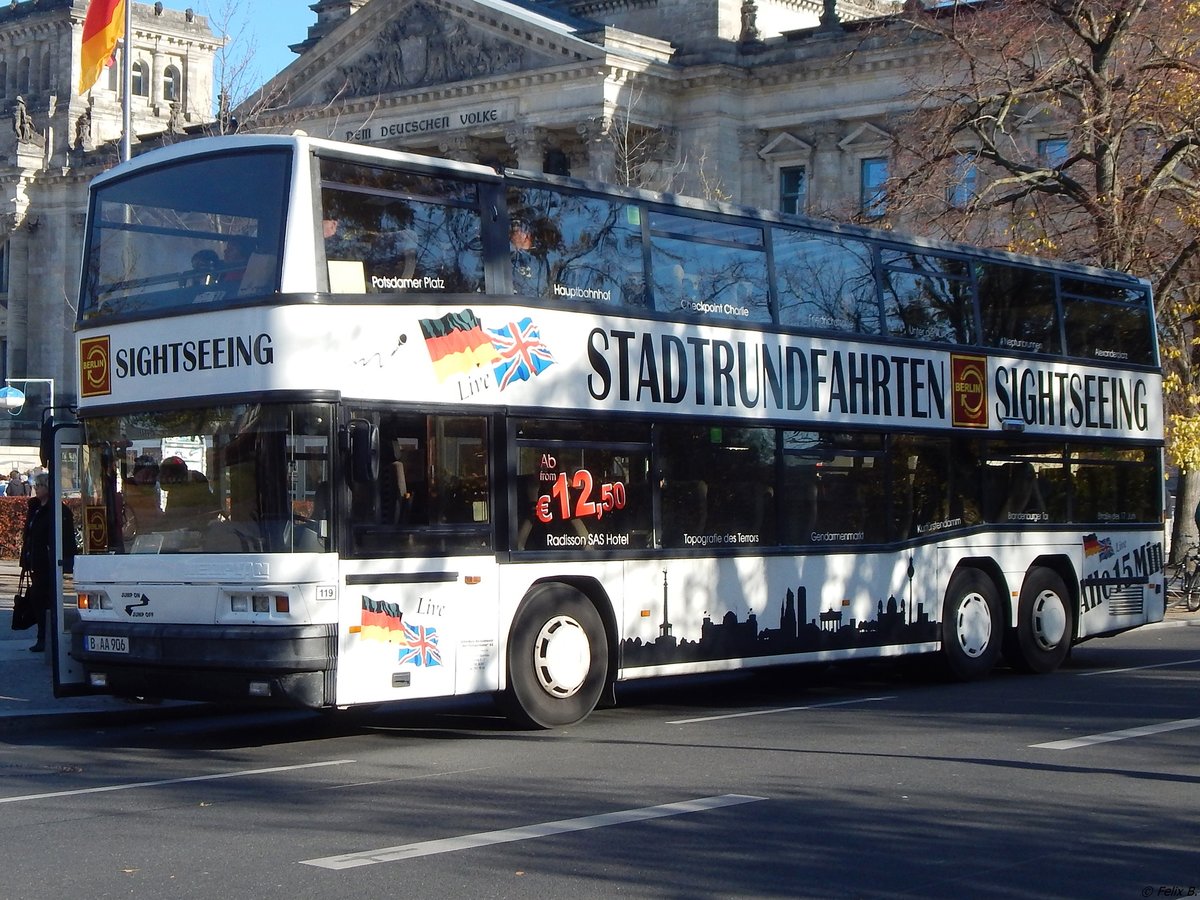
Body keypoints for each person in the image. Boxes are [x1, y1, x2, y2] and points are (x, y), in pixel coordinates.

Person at [19, 472, 75, 652]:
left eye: (39, 486)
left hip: (49, 562)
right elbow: (30, 534)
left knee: (43, 599)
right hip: (35, 560)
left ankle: (46, 637)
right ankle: (43, 636)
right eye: (36, 486)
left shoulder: (57, 510)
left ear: (48, 488)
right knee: (38, 599)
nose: (36, 488)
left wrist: (65, 560)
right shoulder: (35, 507)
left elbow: (65, 538)